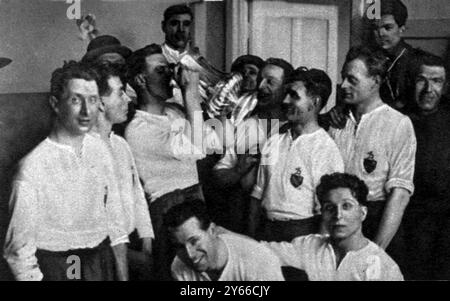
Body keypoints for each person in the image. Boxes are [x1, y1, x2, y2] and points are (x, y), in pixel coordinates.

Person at [3, 61, 129, 281]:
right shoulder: (31, 169)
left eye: (92, 100)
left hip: (100, 262)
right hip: (57, 268)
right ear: (55, 103)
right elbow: (18, 254)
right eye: (75, 100)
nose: (85, 111)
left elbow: (117, 225)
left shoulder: (99, 149)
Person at [125, 44, 220, 280]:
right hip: (168, 213)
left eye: (170, 69)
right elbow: (196, 148)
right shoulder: (137, 129)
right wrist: (191, 93)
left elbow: (211, 144)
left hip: (196, 203)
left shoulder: (176, 111)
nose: (170, 76)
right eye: (161, 71)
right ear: (140, 79)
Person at [328, 46, 416, 269]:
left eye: (352, 79)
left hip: (377, 222)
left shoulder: (398, 123)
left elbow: (400, 194)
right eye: (343, 79)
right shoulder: (337, 121)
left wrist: (375, 251)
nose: (344, 86)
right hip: (337, 219)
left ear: (375, 81)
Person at [250, 67, 344, 242]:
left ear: (315, 102)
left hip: (301, 233)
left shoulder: (325, 148)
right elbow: (257, 194)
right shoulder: (274, 140)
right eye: (286, 94)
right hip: (266, 231)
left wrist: (318, 253)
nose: (285, 100)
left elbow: (328, 209)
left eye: (294, 95)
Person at [262, 173, 404, 281]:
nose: (338, 215)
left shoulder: (383, 266)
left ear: (363, 212)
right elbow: (259, 251)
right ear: (322, 213)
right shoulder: (309, 246)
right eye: (330, 208)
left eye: (346, 206)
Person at [90, 62, 154, 280]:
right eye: (120, 93)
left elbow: (137, 193)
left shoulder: (120, 145)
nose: (128, 99)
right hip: (100, 253)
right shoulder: (84, 151)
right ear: (99, 102)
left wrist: (146, 238)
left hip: (130, 243)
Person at [403, 53, 450, 280]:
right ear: (412, 82)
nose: (429, 89)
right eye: (422, 80)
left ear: (445, 86)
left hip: (443, 226)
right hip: (404, 221)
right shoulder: (397, 119)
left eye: (437, 81)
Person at [209, 54, 265, 234]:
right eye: (243, 73)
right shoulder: (229, 99)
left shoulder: (258, 103)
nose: (247, 77)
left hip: (246, 172)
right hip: (223, 160)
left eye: (253, 73)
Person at [164, 200, 285, 281]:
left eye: (194, 241)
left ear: (212, 230)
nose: (190, 255)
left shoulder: (259, 260)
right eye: (180, 246)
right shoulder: (179, 267)